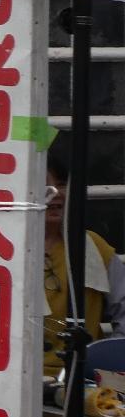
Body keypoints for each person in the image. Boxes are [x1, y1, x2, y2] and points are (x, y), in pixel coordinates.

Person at [41, 147, 125, 377]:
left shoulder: (93, 245)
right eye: (44, 186)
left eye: (61, 184)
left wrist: (110, 362)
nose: (55, 193)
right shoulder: (7, 252)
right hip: (19, 377)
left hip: (80, 376)